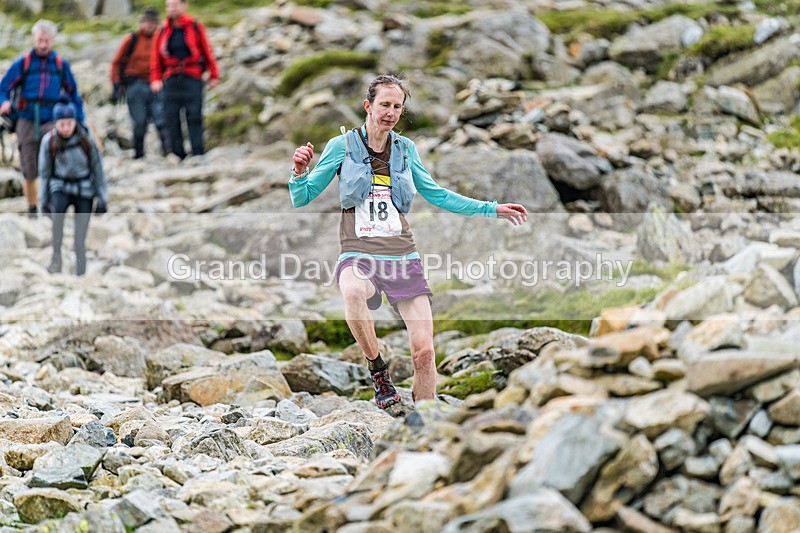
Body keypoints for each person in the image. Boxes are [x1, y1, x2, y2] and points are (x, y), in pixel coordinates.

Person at [289, 75, 528, 410]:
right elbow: (303, 197)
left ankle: (425, 424)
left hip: (402, 256)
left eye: (397, 106)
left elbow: (437, 195)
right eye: (384, 104)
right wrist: (299, 171)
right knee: (354, 292)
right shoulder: (341, 147)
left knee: (425, 353)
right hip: (359, 253)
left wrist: (491, 209)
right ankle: (379, 372)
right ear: (368, 106)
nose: (390, 112)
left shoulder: (406, 150)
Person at [0, 19, 86, 219]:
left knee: (55, 165)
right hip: (26, 120)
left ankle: (51, 207)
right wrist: (3, 102)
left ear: (53, 41)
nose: (43, 45)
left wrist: (79, 121)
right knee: (29, 169)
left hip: (52, 121)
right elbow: (3, 88)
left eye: (47, 40)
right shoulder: (23, 63)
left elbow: (74, 94)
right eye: (40, 40)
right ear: (34, 39)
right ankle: (32, 209)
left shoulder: (60, 65)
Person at [39, 102, 107, 276]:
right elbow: (45, 173)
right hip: (59, 186)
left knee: (80, 237)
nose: (66, 128)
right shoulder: (50, 141)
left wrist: (102, 198)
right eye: (62, 124)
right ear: (55, 123)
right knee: (57, 223)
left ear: (75, 121)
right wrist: (44, 200)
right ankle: (56, 260)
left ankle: (80, 270)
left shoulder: (87, 139)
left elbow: (98, 171)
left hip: (84, 189)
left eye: (69, 123)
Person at [150, 0, 219, 159]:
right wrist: (155, 78)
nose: (171, 9)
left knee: (194, 115)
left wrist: (213, 74)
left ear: (183, 5)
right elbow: (155, 58)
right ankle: (177, 153)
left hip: (192, 77)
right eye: (169, 5)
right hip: (171, 79)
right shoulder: (162, 30)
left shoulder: (194, 26)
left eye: (174, 5)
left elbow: (206, 50)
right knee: (171, 116)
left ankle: (197, 152)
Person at [110, 6, 171, 159]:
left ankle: (169, 153)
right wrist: (116, 85)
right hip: (135, 86)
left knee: (161, 119)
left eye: (152, 22)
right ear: (141, 22)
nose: (149, 25)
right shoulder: (132, 39)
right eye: (146, 22)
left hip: (156, 84)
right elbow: (116, 62)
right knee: (139, 121)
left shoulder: (161, 39)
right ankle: (139, 154)